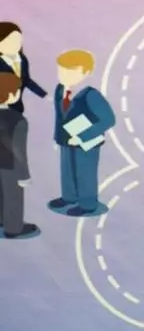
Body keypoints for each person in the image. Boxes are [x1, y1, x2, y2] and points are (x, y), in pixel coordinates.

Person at [48, 49, 115, 217]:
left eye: (70, 71)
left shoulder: (91, 95)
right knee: (67, 170)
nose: (64, 75)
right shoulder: (59, 89)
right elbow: (60, 116)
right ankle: (69, 197)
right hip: (66, 139)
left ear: (85, 73)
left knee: (85, 172)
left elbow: (108, 119)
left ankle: (88, 203)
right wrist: (58, 137)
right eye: (61, 70)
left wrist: (82, 136)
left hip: (87, 142)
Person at [0, 72, 39, 239]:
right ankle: (14, 228)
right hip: (10, 166)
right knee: (13, 196)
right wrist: (24, 175)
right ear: (12, 95)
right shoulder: (18, 120)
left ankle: (1, 221)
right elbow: (18, 150)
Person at [0, 22, 48, 114]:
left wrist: (43, 94)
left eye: (18, 40)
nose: (16, 44)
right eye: (10, 41)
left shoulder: (22, 59)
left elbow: (26, 80)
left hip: (16, 108)